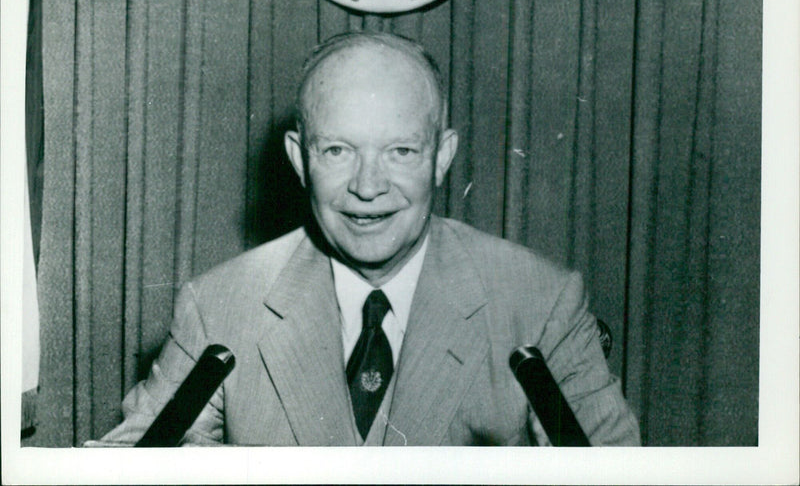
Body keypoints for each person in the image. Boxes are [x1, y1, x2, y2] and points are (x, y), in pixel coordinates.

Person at [98, 31, 640, 446]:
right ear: (298, 159)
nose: (367, 186)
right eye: (337, 151)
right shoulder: (218, 306)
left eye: (400, 152)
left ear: (443, 159)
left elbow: (614, 472)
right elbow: (132, 464)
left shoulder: (541, 302)